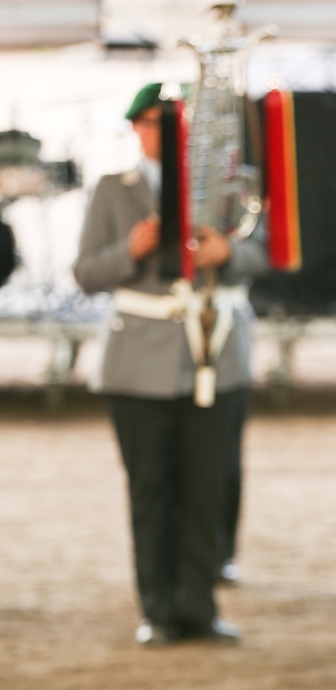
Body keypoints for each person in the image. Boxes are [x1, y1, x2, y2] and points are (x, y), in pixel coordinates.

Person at [74, 82, 268, 645]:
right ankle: (157, 610)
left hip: (213, 352)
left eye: (176, 123)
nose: (166, 133)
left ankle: (198, 606)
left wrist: (229, 252)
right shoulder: (115, 190)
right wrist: (130, 250)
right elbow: (86, 273)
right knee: (151, 488)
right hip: (138, 360)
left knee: (206, 485)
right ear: (137, 128)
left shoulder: (228, 189)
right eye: (156, 123)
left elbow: (268, 250)